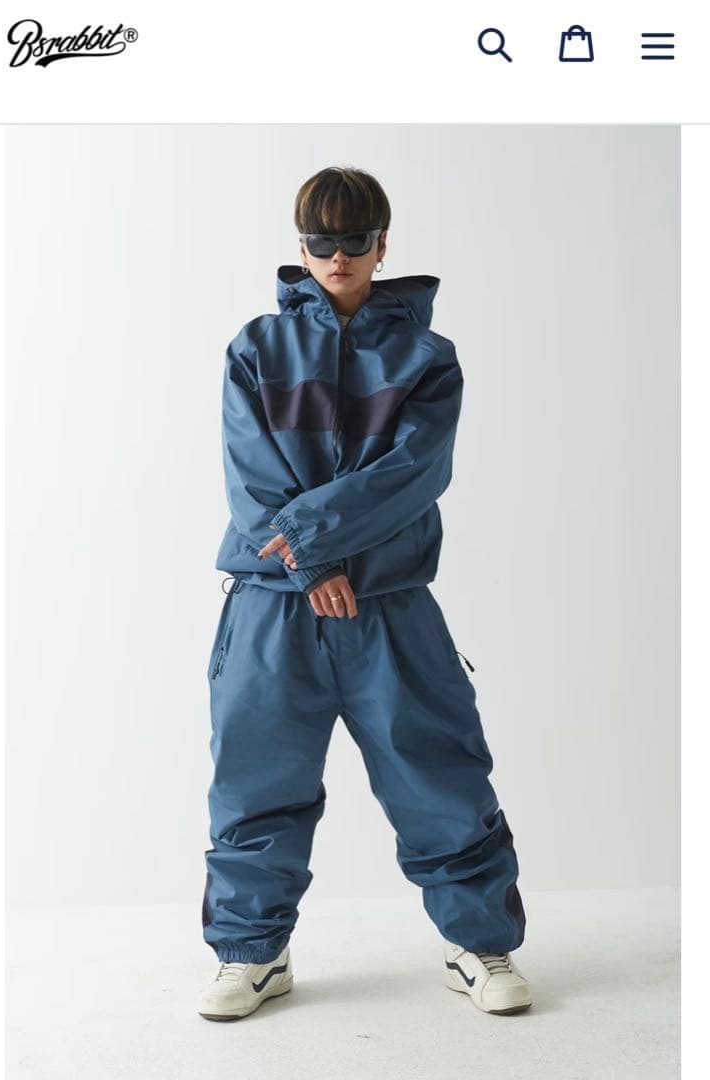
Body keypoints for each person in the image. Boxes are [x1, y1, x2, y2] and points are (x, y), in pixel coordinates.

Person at [198, 166, 531, 1021]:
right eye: (321, 240)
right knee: (256, 783)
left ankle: (478, 943)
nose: (337, 256)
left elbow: (414, 473)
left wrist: (316, 546)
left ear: (382, 244)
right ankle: (251, 953)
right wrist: (310, 565)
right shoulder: (256, 349)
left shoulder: (426, 359)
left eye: (354, 240)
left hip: (388, 604)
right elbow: (249, 478)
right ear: (299, 244)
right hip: (273, 605)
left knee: (440, 775)